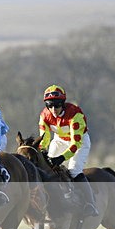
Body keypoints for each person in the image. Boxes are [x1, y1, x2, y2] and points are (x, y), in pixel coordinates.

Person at [38, 84, 98, 217]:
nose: (53, 109)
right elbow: (45, 138)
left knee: (74, 170)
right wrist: (41, 150)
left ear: (63, 103)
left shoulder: (75, 113)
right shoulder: (44, 115)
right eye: (50, 105)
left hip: (79, 141)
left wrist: (61, 158)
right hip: (59, 140)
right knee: (47, 167)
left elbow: (75, 143)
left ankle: (90, 203)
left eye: (57, 105)